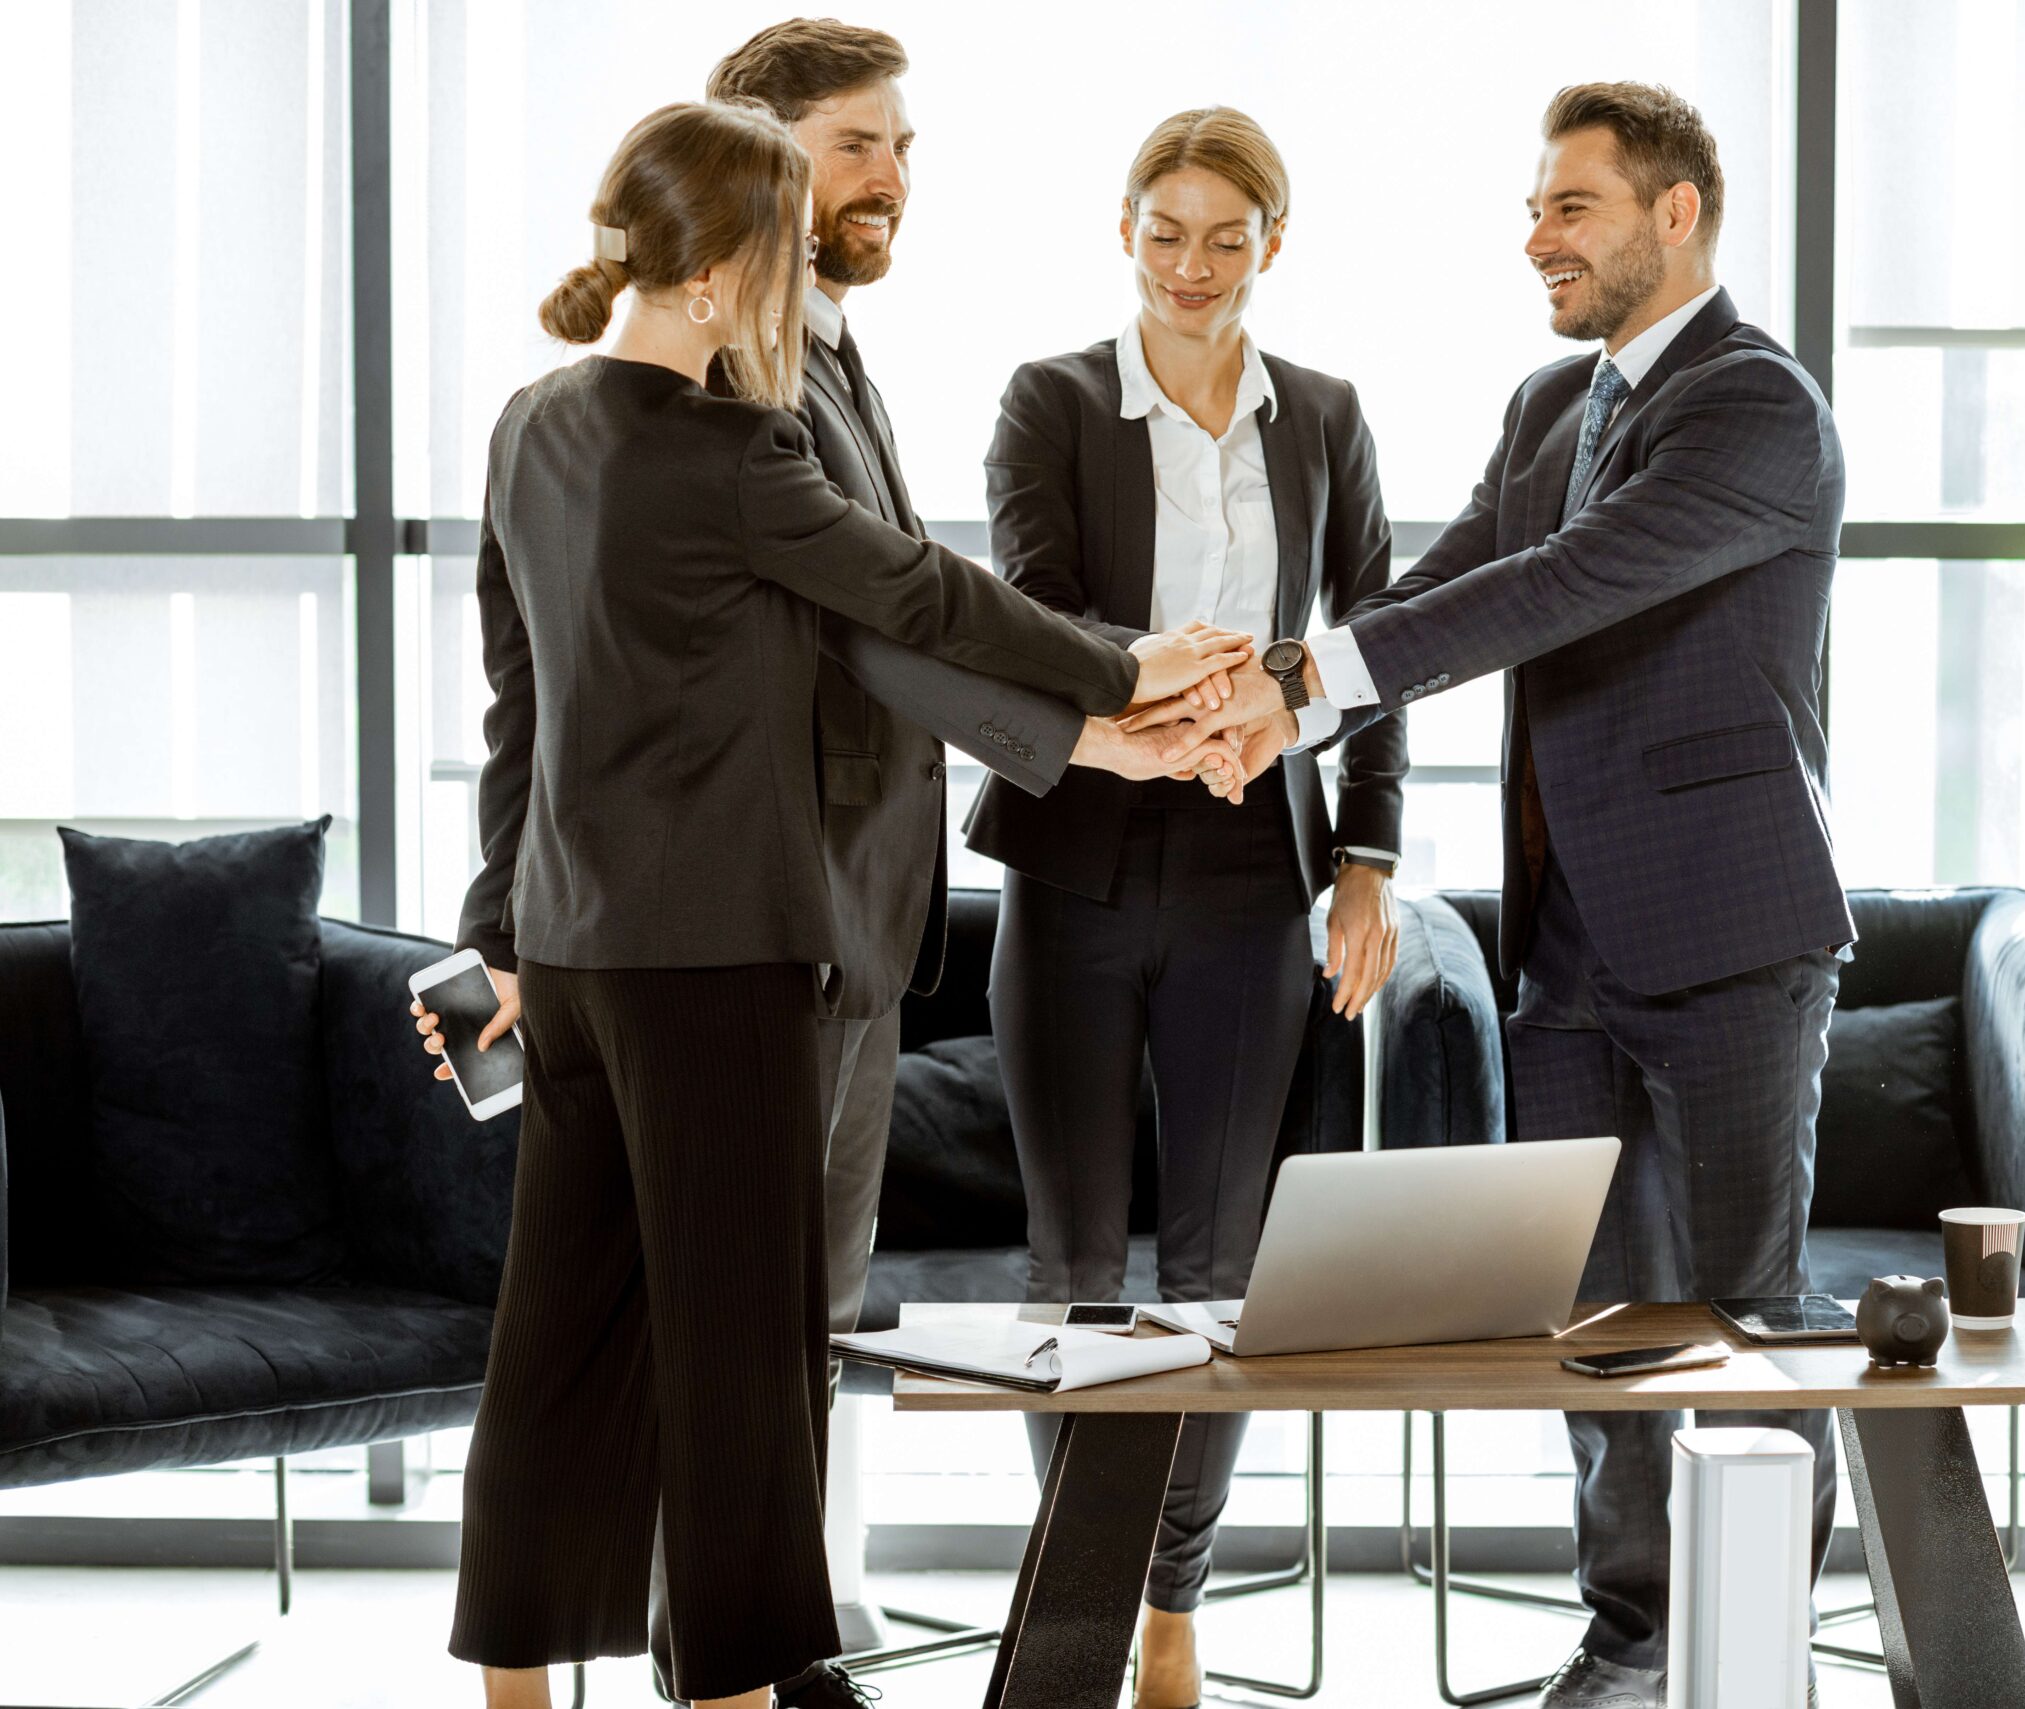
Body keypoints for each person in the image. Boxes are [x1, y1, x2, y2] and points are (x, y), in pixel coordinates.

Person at [416, 100, 1240, 1709]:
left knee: (559, 1336)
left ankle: (516, 1685)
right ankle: (734, 1690)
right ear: (721, 274)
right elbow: (911, 587)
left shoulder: (534, 425)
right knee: (741, 1359)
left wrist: (499, 928)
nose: (804, 283)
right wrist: (1124, 661)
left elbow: (519, 704)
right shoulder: (738, 449)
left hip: (574, 958)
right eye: (784, 253)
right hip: (717, 956)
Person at [1147, 82, 1851, 1709]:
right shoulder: (1554, 404)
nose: (1537, 237)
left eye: (1572, 208)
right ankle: (1628, 1635)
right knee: (1604, 1325)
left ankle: (1750, 1654)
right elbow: (1457, 571)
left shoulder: (1759, 407)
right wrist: (1266, 682)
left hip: (1735, 934)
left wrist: (1313, 674)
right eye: (1536, 207)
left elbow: (1562, 586)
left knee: (1747, 1313)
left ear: (1676, 216)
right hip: (1572, 949)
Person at [964, 106, 1408, 1709]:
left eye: (1229, 235)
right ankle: (1073, 1596)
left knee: (1221, 1267)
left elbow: (1375, 642)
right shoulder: (1055, 401)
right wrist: (1190, 696)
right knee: (1075, 1259)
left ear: (1272, 245)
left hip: (1247, 874)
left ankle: (1169, 1600)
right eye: (1168, 230)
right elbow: (1031, 611)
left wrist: (1366, 859)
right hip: (1077, 859)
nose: (1195, 264)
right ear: (1126, 232)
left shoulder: (1329, 416)